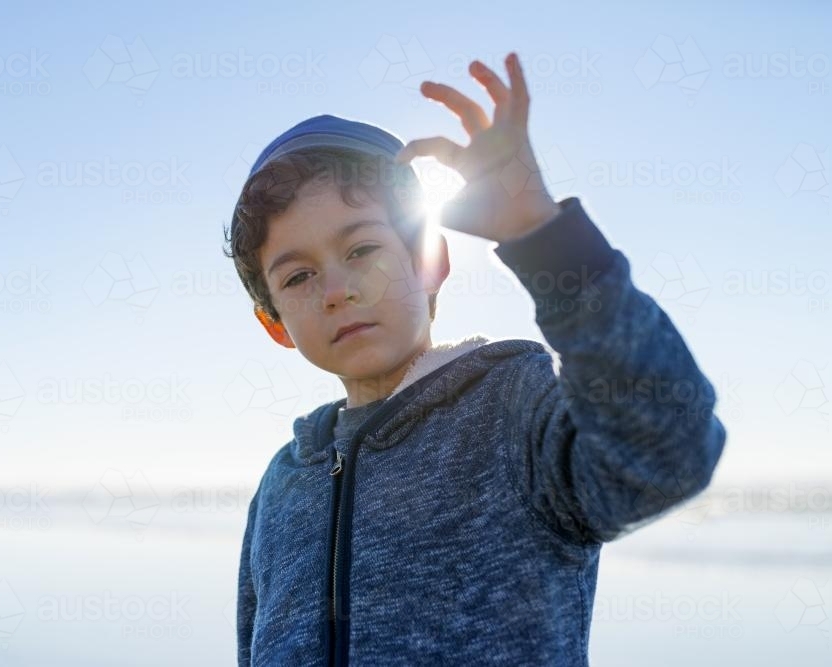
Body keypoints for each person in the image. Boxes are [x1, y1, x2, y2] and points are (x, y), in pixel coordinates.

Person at [223, 52, 726, 666]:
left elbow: (668, 452)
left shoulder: (512, 412)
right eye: (299, 275)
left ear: (430, 261)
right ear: (274, 323)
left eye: (361, 249)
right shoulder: (283, 483)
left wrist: (540, 234)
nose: (336, 289)